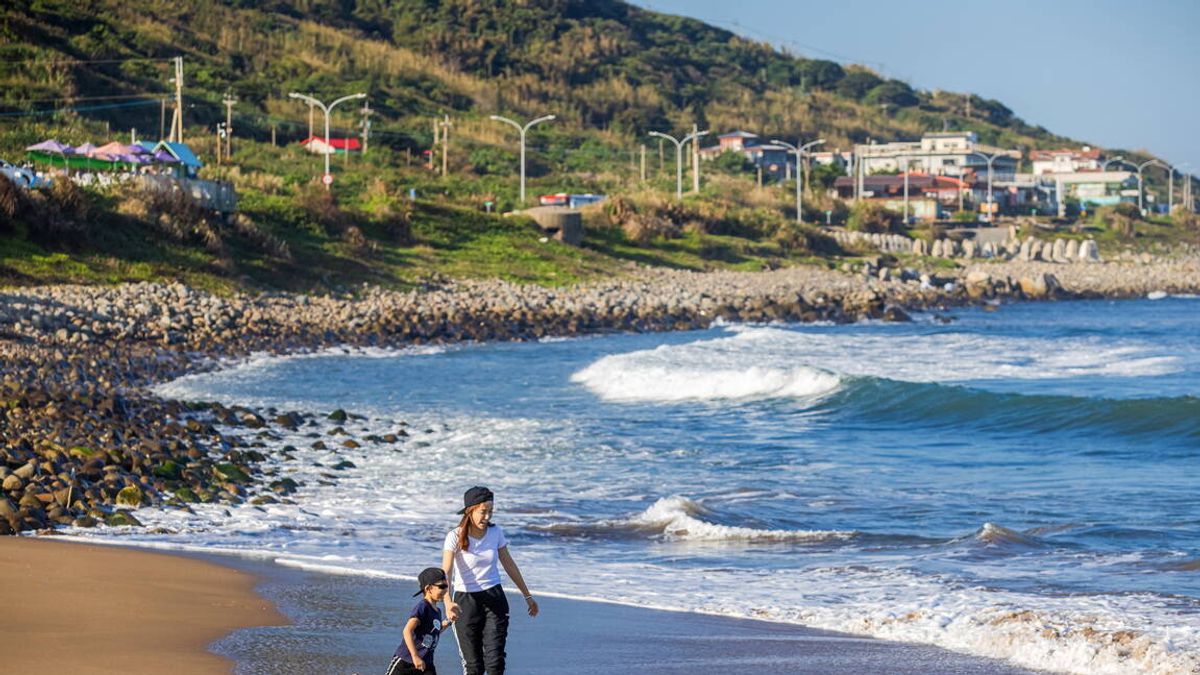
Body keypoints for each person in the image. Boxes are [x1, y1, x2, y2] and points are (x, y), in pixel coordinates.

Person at [442, 486, 539, 675]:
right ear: (470, 510)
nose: (487, 517)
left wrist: (528, 596)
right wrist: (447, 603)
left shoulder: (496, 533)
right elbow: (446, 571)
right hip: (465, 602)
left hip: (494, 598)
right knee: (474, 666)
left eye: (491, 512)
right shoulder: (454, 536)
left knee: (495, 662)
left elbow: (509, 565)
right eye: (483, 512)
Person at [386, 567, 452, 675]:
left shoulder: (437, 611)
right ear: (429, 588)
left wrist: (449, 621)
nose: (445, 590)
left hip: (426, 663)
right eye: (442, 586)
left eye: (447, 586)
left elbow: (435, 631)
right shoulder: (422, 607)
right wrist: (415, 656)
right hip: (406, 660)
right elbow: (407, 631)